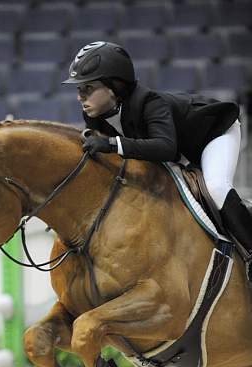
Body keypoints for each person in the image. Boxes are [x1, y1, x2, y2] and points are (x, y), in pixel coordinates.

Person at [62, 41, 252, 280]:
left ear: (114, 87)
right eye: (79, 89)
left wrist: (112, 145)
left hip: (214, 134)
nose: (80, 96)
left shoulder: (150, 102)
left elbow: (164, 147)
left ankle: (249, 252)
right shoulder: (95, 115)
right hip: (178, 150)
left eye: (87, 88)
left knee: (216, 187)